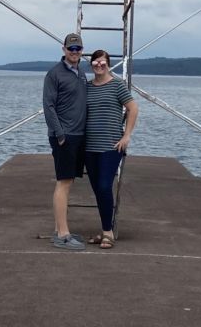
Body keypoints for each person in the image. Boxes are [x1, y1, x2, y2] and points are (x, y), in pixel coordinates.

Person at [85, 49, 138, 249]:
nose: (99, 65)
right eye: (96, 62)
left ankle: (108, 232)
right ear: (92, 65)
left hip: (110, 145)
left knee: (105, 186)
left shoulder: (117, 85)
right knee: (98, 190)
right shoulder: (87, 87)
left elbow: (133, 108)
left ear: (108, 64)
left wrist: (126, 135)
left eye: (103, 62)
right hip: (89, 147)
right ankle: (105, 228)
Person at [42, 32, 88, 250]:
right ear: (64, 50)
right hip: (64, 137)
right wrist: (60, 135)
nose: (74, 52)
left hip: (78, 135)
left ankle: (59, 228)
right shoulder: (54, 74)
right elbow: (48, 107)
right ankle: (62, 234)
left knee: (68, 182)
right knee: (64, 182)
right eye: (71, 49)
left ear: (82, 51)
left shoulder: (81, 73)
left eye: (78, 49)